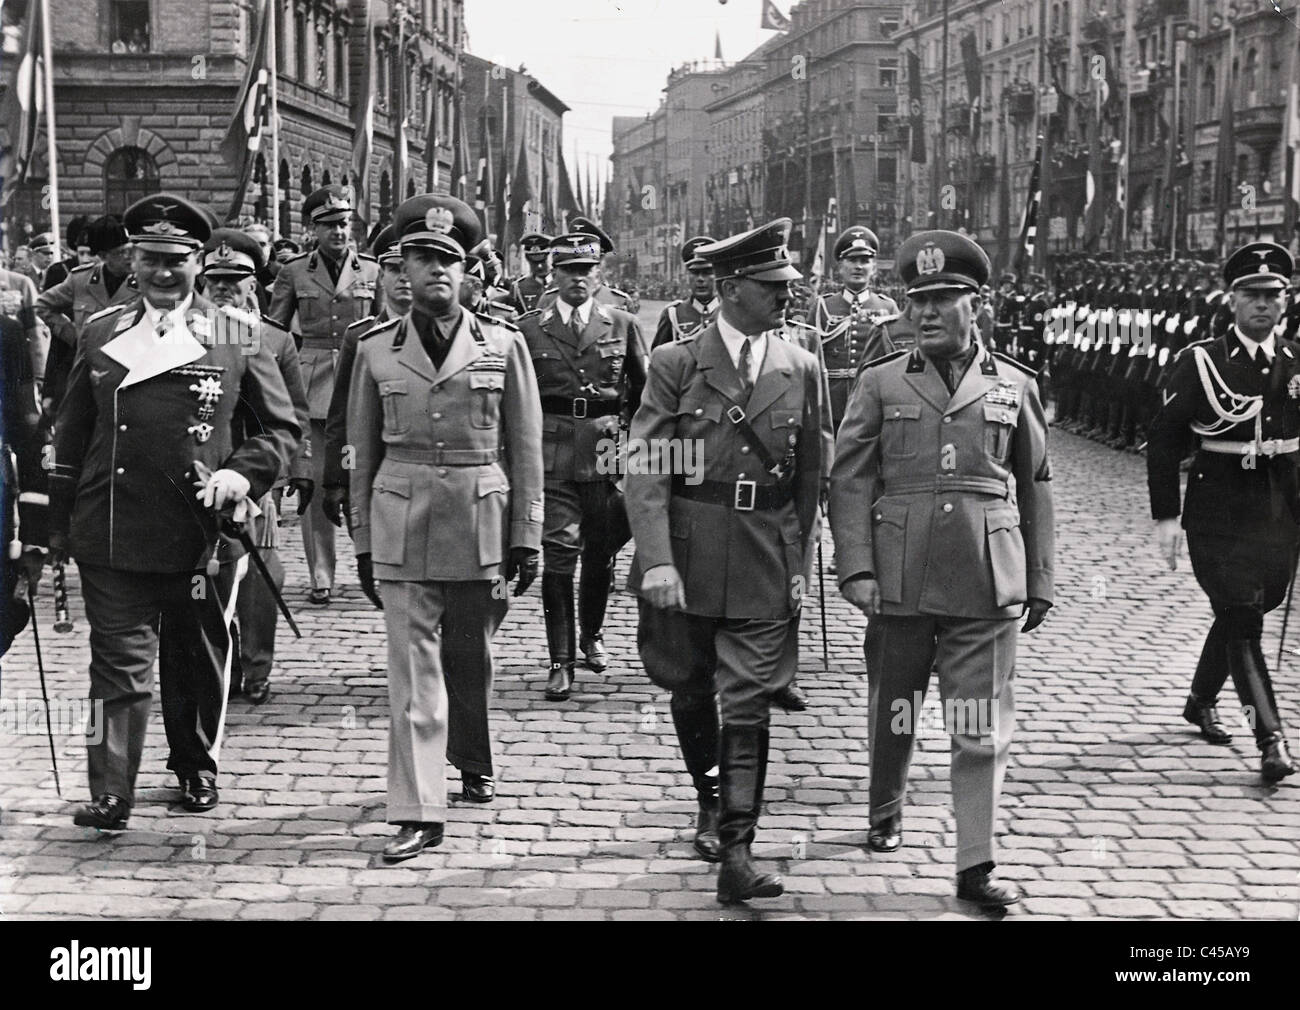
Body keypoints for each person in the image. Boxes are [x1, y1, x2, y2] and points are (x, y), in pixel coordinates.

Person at [49, 194, 300, 829]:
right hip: (113, 524)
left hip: (200, 529)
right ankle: (111, 792)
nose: (164, 274)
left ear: (198, 263)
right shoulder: (102, 331)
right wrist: (55, 523)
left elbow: (280, 429)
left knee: (195, 657)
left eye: (177, 262)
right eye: (152, 259)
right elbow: (73, 432)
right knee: (116, 665)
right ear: (132, 260)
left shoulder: (234, 332)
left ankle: (194, 764)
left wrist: (240, 474)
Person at [830, 229, 1055, 909]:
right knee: (897, 707)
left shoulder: (1015, 384)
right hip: (898, 574)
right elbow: (850, 480)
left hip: (985, 577)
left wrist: (1039, 577)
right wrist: (857, 569)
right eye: (916, 299)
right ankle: (885, 806)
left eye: (942, 299)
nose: (924, 312)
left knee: (979, 723)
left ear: (976, 304)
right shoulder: (880, 381)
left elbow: (1036, 481)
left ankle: (975, 864)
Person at [626, 218, 823, 903]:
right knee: (690, 683)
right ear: (733, 289)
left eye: (787, 286)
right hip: (688, 545)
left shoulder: (801, 365)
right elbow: (647, 466)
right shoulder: (678, 364)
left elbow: (809, 480)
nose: (786, 298)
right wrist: (654, 559)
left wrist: (799, 562)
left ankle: (738, 849)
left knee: (749, 701)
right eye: (773, 287)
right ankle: (709, 800)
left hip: (765, 549)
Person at [347, 195, 543, 860]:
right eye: (419, 259)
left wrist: (528, 532)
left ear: (469, 272)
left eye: (446, 260)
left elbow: (527, 448)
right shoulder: (374, 351)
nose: (432, 271)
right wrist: (364, 542)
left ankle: (472, 755)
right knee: (412, 672)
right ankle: (420, 809)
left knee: (470, 658)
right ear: (400, 268)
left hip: (481, 520)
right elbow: (360, 453)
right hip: (400, 520)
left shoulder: (505, 346)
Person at [1147, 241, 1297, 783]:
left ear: (1286, 301)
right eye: (1251, 295)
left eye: (1272, 295)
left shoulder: (1295, 360)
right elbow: (1163, 441)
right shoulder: (1202, 361)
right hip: (1219, 511)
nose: (1262, 304)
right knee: (1241, 619)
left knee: (1254, 609)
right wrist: (1166, 515)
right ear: (1231, 300)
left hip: (1280, 513)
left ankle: (1199, 698)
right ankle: (1270, 737)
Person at [517, 230, 646, 701]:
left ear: (599, 275)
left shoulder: (624, 324)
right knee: (559, 555)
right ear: (553, 275)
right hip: (552, 452)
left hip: (605, 451)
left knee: (599, 553)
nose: (578, 279)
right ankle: (560, 661)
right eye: (569, 270)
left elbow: (643, 393)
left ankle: (592, 634)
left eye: (587, 271)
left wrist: (633, 445)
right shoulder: (530, 328)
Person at [198, 228, 311, 706]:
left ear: (256, 282)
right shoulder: (186, 332)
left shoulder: (275, 339)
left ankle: (257, 665)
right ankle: (212, 662)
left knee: (263, 574)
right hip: (200, 473)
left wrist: (294, 472)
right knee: (208, 572)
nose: (225, 286)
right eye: (215, 277)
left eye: (237, 276)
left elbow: (293, 415)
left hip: (258, 477)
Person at [267, 185, 383, 605]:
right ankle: (321, 572)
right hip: (313, 387)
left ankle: (374, 567)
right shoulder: (294, 272)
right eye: (330, 225)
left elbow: (387, 328)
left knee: (365, 478)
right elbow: (276, 334)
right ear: (311, 229)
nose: (339, 231)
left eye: (345, 223)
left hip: (363, 383)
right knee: (316, 484)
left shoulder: (372, 271)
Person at [322, 224, 411, 530]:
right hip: (375, 469)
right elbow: (342, 415)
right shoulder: (359, 337)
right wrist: (338, 478)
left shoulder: (451, 337)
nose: (404, 278)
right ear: (381, 277)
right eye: (394, 269)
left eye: (411, 267)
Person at [36, 216, 137, 418]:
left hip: (129, 375)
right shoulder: (81, 280)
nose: (128, 257)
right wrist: (74, 335)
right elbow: (43, 305)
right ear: (103, 255)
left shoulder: (144, 282)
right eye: (120, 253)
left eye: (131, 250)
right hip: (86, 375)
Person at [812, 226, 900, 429]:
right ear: (840, 267)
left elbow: (896, 362)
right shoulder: (822, 307)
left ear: (874, 268)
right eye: (852, 261)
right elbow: (809, 358)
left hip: (872, 402)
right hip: (831, 403)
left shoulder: (888, 307)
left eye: (865, 261)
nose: (858, 267)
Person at [651, 236, 719, 349]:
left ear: (718, 275)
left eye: (707, 272)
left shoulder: (733, 311)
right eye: (695, 273)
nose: (700, 279)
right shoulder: (673, 315)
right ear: (688, 276)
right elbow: (659, 360)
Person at [509, 232, 552, 314]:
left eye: (543, 261)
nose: (539, 266)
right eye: (534, 263)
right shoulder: (519, 288)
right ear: (527, 259)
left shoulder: (560, 283)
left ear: (549, 256)